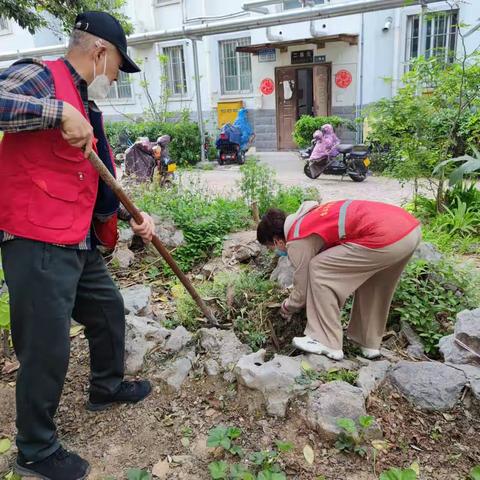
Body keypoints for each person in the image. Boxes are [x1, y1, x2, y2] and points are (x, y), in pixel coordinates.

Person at [0, 11, 156, 480]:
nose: (114, 77)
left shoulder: (87, 105)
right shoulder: (39, 78)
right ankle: (34, 450)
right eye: (116, 67)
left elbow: (101, 171)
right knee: (46, 345)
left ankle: (105, 388)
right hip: (35, 233)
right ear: (100, 52)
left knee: (108, 310)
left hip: (76, 235)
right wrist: (54, 111)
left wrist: (133, 214)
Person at [257, 199, 421, 361]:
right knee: (374, 284)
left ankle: (325, 340)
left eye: (271, 247)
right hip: (409, 230)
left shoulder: (297, 237)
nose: (274, 252)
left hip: (384, 235)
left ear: (277, 240)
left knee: (320, 269)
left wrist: (287, 306)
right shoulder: (309, 216)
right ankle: (368, 343)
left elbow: (303, 288)